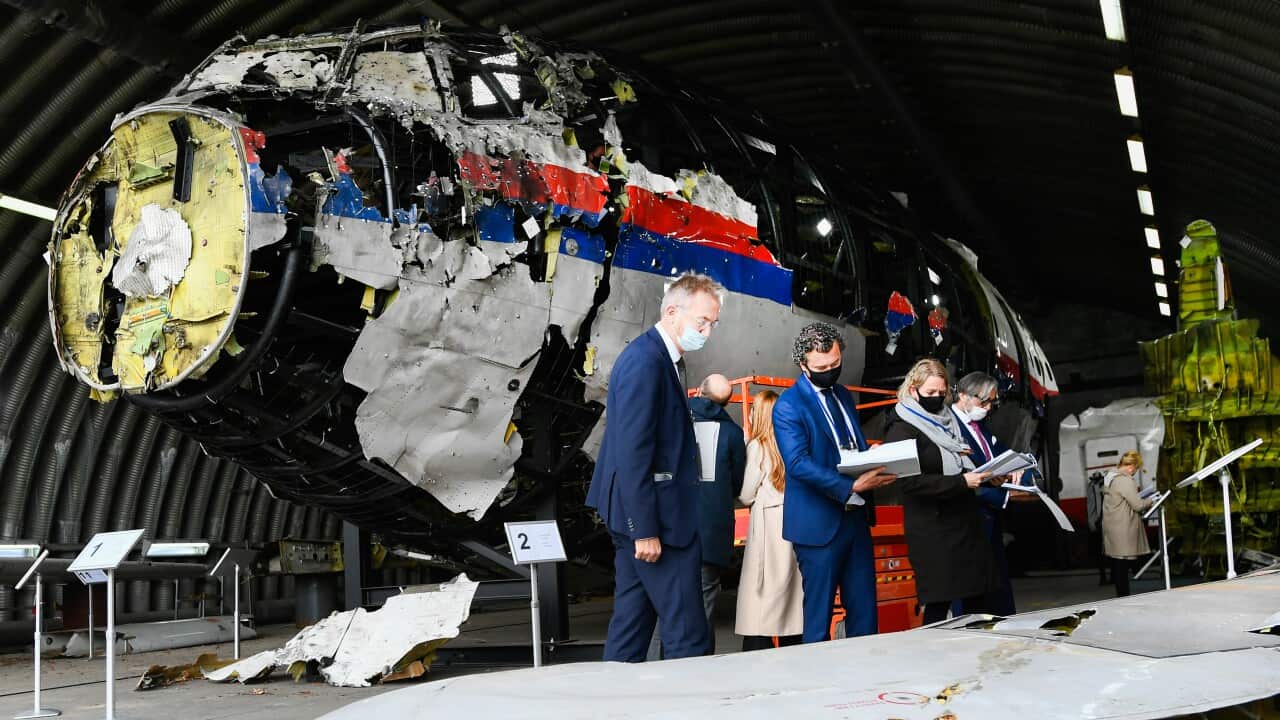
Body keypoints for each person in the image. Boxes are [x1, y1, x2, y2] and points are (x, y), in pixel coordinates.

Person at [585, 272, 724, 661]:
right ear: (672, 310)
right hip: (655, 524)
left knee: (632, 626)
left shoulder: (660, 358)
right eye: (702, 322)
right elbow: (633, 454)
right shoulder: (646, 363)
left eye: (712, 324)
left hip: (647, 517)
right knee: (689, 635)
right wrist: (644, 530)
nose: (707, 332)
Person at [773, 322, 897, 643]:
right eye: (822, 367)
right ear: (803, 365)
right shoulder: (788, 406)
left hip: (855, 520)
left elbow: (849, 446)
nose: (831, 371)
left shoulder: (843, 395)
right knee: (818, 619)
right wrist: (849, 487)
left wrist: (876, 458)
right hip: (818, 525)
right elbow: (798, 463)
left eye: (835, 364)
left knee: (865, 615)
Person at [883, 359, 998, 625]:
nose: (936, 399)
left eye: (941, 393)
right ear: (913, 391)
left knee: (977, 602)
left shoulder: (948, 422)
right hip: (934, 531)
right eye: (930, 393)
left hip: (963, 524)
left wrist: (987, 477)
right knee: (939, 604)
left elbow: (961, 464)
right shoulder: (900, 427)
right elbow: (909, 483)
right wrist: (962, 482)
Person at [647, 373, 745, 659]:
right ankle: (700, 665)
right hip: (709, 533)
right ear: (726, 402)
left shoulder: (668, 420)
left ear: (698, 391)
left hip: (667, 527)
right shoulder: (731, 434)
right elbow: (736, 484)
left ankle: (654, 665)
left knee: (664, 602)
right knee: (703, 604)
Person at [950, 371, 1035, 617]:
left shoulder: (981, 428)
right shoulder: (949, 427)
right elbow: (959, 480)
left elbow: (1004, 456)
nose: (987, 408)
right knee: (970, 599)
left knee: (995, 594)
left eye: (991, 403)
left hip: (989, 523)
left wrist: (1017, 468)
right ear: (963, 395)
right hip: (967, 524)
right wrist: (1004, 496)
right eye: (983, 402)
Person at [736, 390, 805, 650]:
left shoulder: (757, 446)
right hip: (792, 517)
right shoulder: (794, 442)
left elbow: (745, 494)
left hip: (767, 522)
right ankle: (792, 638)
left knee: (760, 590)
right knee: (790, 587)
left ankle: (758, 643)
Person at [1102, 451, 1153, 597]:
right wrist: (1150, 501)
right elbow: (1137, 505)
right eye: (1136, 469)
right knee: (1122, 565)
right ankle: (1123, 596)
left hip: (1113, 525)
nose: (1134, 472)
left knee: (1118, 563)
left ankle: (1122, 595)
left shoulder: (1111, 477)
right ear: (1132, 467)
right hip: (1122, 527)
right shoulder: (1125, 480)